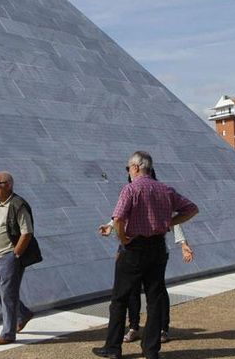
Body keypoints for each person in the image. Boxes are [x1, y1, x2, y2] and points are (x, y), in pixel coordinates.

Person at [93, 152, 198, 359]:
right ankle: (151, 350)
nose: (128, 172)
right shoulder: (165, 190)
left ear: (136, 167)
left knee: (120, 299)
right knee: (155, 299)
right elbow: (192, 209)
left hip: (134, 248)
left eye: (128, 168)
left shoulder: (131, 189)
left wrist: (123, 239)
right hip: (158, 248)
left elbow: (119, 219)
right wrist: (169, 223)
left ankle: (113, 348)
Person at [99, 220, 194, 343]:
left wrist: (183, 243)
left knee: (156, 291)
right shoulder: (132, 200)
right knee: (133, 289)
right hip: (131, 250)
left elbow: (173, 217)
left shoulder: (162, 200)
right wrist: (111, 226)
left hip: (154, 251)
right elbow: (120, 215)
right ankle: (134, 327)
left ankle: (161, 329)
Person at [0, 171, 41, 345]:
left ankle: (8, 333)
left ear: (8, 185)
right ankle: (23, 313)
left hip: (9, 256)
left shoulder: (18, 205)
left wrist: (15, 255)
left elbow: (27, 232)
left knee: (8, 295)